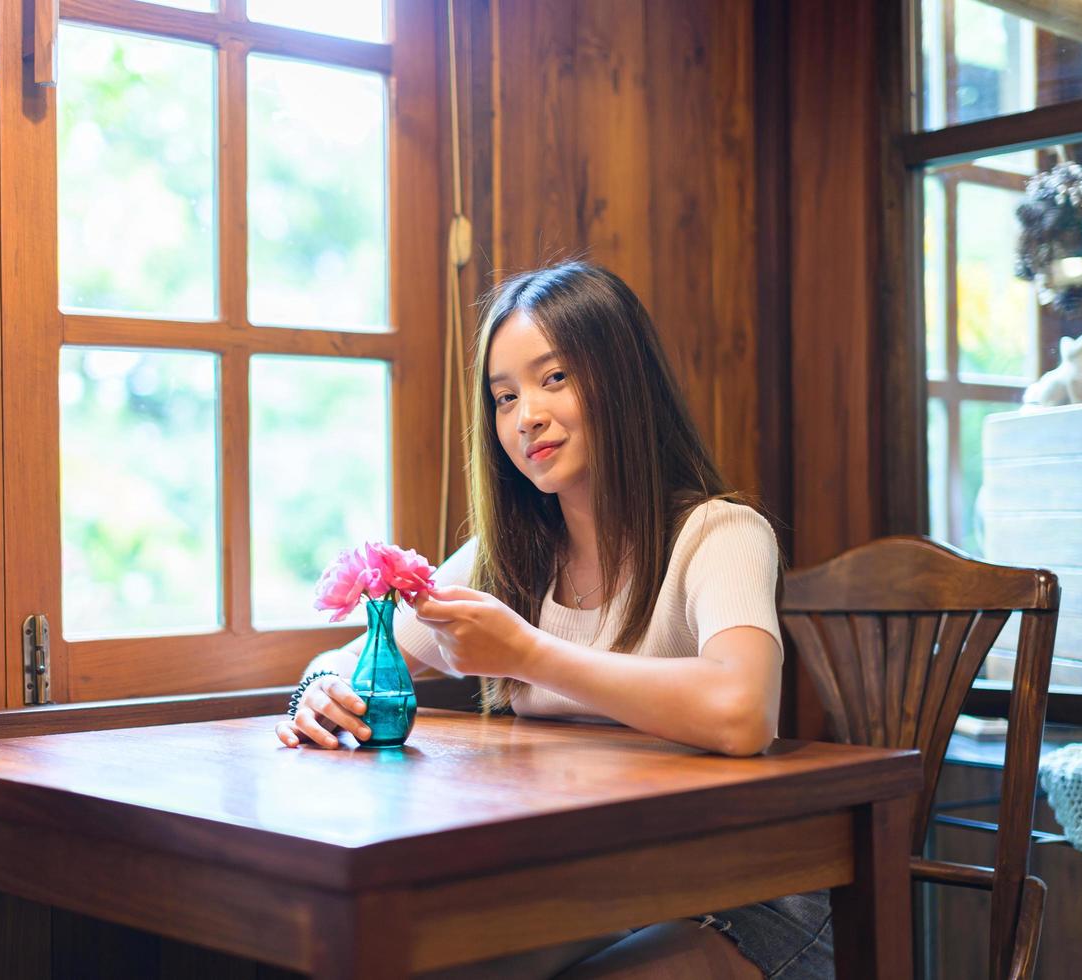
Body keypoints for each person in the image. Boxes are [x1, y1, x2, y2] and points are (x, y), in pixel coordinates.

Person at [274, 262, 832, 979]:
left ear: (622, 378)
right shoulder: (506, 556)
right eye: (503, 396)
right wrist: (317, 691)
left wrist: (526, 653)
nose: (523, 415)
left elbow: (740, 711)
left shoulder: (719, 534)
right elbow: (348, 656)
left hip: (743, 893)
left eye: (554, 378)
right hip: (591, 885)